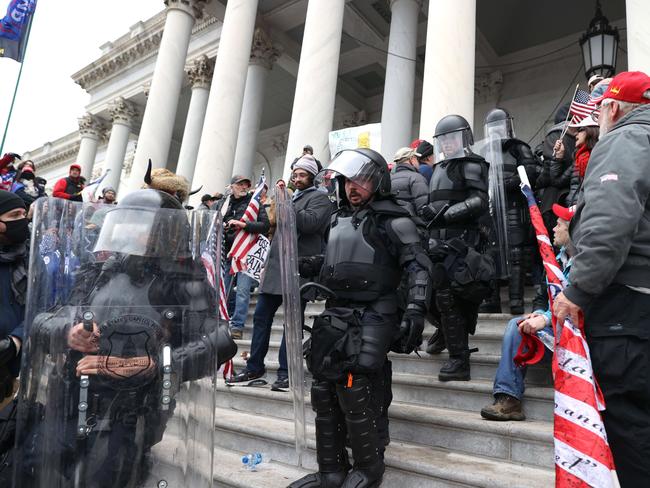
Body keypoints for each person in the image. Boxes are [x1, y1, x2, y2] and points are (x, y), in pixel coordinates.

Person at [12, 189, 237, 488]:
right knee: (35, 471)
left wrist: (154, 364)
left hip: (133, 409)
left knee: (104, 478)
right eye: (125, 222)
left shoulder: (183, 280)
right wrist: (68, 332)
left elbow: (222, 339)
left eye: (139, 223)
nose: (129, 230)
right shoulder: (100, 271)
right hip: (71, 397)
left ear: (163, 232)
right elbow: (43, 320)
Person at [289, 148, 431, 488]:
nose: (353, 187)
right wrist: (309, 266)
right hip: (336, 311)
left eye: (361, 180)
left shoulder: (394, 219)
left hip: (375, 312)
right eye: (348, 180)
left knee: (356, 385)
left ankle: (369, 468)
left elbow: (418, 266)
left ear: (378, 181)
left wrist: (415, 308)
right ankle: (331, 471)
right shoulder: (337, 220)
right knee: (324, 388)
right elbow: (334, 260)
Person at [553, 70, 650, 486]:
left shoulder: (625, 140)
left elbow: (610, 219)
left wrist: (578, 289)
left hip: (627, 306)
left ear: (611, 107)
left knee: (629, 430)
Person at [229, 155, 331, 390]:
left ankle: (287, 372)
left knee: (291, 325)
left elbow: (310, 225)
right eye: (295, 174)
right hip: (275, 268)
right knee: (262, 319)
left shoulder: (320, 199)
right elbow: (271, 226)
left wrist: (285, 203)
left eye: (302, 175)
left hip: (298, 269)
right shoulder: (290, 198)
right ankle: (254, 367)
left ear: (313, 177)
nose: (296, 178)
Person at [480, 204, 574, 421]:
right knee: (516, 324)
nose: (554, 228)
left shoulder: (586, 263)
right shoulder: (555, 260)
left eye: (559, 224)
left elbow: (580, 304)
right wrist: (538, 313)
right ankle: (509, 398)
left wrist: (546, 318)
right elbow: (542, 297)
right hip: (555, 328)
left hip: (577, 332)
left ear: (572, 230)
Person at [420, 114, 493, 381]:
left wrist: (446, 214)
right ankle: (443, 331)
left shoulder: (472, 164)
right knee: (429, 295)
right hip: (438, 243)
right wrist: (428, 212)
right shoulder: (439, 168)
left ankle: (459, 359)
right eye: (443, 139)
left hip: (462, 244)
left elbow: (479, 201)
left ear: (463, 138)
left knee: (452, 299)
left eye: (452, 138)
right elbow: (437, 200)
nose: (448, 144)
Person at [480, 108, 539, 314]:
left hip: (515, 206)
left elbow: (530, 172)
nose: (496, 131)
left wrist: (506, 184)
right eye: (492, 128)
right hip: (493, 208)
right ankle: (492, 299)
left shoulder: (518, 148)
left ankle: (516, 300)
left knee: (517, 254)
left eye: (499, 126)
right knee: (491, 254)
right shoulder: (485, 152)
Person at [215, 175, 270, 339]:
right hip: (226, 252)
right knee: (222, 289)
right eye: (240, 184)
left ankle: (237, 326)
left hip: (245, 253)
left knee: (243, 291)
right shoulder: (223, 203)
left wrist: (243, 225)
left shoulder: (254, 203)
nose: (244, 187)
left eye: (246, 184)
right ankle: (220, 321)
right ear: (231, 186)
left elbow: (265, 226)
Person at [0, 191, 28, 407]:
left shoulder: (30, 257)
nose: (22, 220)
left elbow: (42, 305)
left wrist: (15, 341)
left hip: (12, 372)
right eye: (14, 215)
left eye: (24, 214)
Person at [553, 115, 599, 206]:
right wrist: (558, 157)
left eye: (580, 130)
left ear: (591, 131)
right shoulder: (578, 159)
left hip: (590, 211)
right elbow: (557, 182)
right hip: (573, 211)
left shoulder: (600, 155)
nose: (575, 134)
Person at [390, 147, 429, 222]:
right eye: (417, 159)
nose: (418, 162)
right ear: (412, 159)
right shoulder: (416, 178)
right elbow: (423, 208)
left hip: (392, 224)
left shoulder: (390, 178)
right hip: (412, 224)